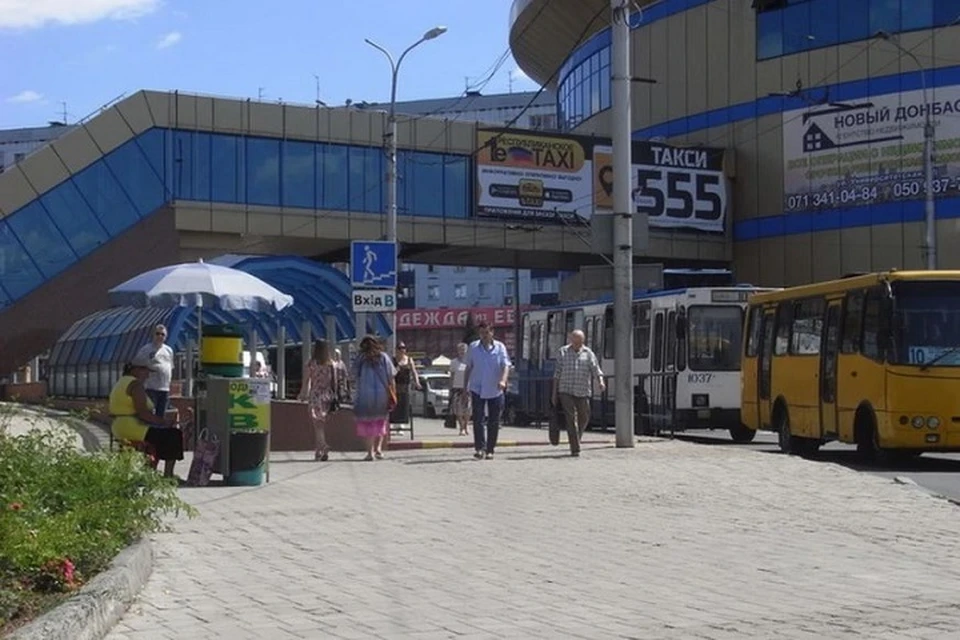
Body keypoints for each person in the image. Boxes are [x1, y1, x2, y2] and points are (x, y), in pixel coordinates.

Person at [108, 354, 183, 478]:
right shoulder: (135, 385)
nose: (148, 375)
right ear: (136, 370)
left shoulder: (121, 382)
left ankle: (150, 470)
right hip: (131, 427)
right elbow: (143, 413)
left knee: (160, 434)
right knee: (173, 435)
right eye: (146, 371)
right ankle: (168, 474)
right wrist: (164, 422)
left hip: (119, 426)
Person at [552, 329, 605, 457]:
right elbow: (557, 374)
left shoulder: (588, 353)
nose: (576, 344)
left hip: (582, 391)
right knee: (571, 419)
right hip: (566, 390)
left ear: (583, 341)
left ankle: (577, 437)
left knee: (584, 416)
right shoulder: (563, 352)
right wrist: (554, 393)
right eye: (574, 341)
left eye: (579, 342)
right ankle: (575, 448)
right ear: (571, 340)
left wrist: (601, 382)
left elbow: (596, 369)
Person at [463, 322, 511, 460]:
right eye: (481, 333)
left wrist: (503, 380)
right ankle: (479, 448)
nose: (484, 336)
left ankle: (490, 449)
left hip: (495, 389)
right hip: (477, 388)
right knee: (478, 420)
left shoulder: (500, 347)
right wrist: (465, 387)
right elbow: (468, 367)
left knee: (493, 421)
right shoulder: (473, 347)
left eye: (486, 333)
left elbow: (506, 366)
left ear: (492, 333)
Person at [352, 335, 397, 461]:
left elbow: (353, 375)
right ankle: (378, 449)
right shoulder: (384, 357)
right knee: (380, 421)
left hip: (364, 396)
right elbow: (391, 377)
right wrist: (393, 392)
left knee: (367, 423)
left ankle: (369, 452)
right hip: (382, 395)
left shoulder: (360, 358)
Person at [298, 339, 341, 462]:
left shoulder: (311, 363)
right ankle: (318, 452)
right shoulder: (331, 363)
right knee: (321, 424)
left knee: (317, 426)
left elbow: (306, 381)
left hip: (316, 395)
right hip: (327, 395)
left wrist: (302, 394)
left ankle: (323, 446)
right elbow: (336, 382)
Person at [134, 324, 174, 418]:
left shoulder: (169, 350)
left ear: (165, 337)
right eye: (157, 334)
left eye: (162, 334)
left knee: (161, 415)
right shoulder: (146, 349)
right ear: (153, 335)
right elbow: (136, 364)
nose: (160, 336)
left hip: (164, 389)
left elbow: (170, 367)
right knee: (150, 414)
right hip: (150, 388)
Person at [390, 342, 420, 429]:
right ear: (396, 350)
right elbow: (391, 374)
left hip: (405, 386)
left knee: (404, 404)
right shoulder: (393, 360)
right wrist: (398, 367)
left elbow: (414, 372)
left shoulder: (409, 360)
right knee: (394, 403)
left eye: (403, 348)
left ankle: (401, 424)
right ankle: (393, 423)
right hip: (395, 385)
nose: (402, 350)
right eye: (399, 348)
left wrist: (417, 382)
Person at [448, 342, 471, 436]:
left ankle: (466, 426)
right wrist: (450, 388)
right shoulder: (454, 362)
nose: (462, 352)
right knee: (459, 410)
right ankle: (461, 427)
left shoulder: (470, 362)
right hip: (457, 388)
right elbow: (452, 376)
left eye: (464, 350)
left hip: (468, 388)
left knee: (468, 410)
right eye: (460, 350)